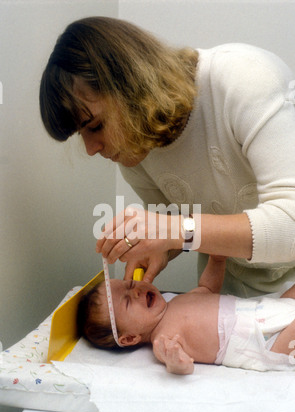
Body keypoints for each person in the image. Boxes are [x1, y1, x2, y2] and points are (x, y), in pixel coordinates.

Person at [39, 16, 295, 297]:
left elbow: (290, 224)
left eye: (95, 126)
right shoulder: (135, 149)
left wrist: (177, 231)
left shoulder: (246, 80)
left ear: (131, 86)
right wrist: (160, 248)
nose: (91, 148)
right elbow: (179, 225)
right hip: (238, 299)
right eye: (81, 133)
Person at [77, 255, 295, 375]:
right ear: (129, 338)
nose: (135, 291)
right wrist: (174, 361)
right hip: (259, 345)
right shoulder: (163, 341)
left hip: (264, 311)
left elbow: (207, 288)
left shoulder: (176, 301)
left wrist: (217, 260)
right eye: (127, 301)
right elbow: (183, 366)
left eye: (130, 283)